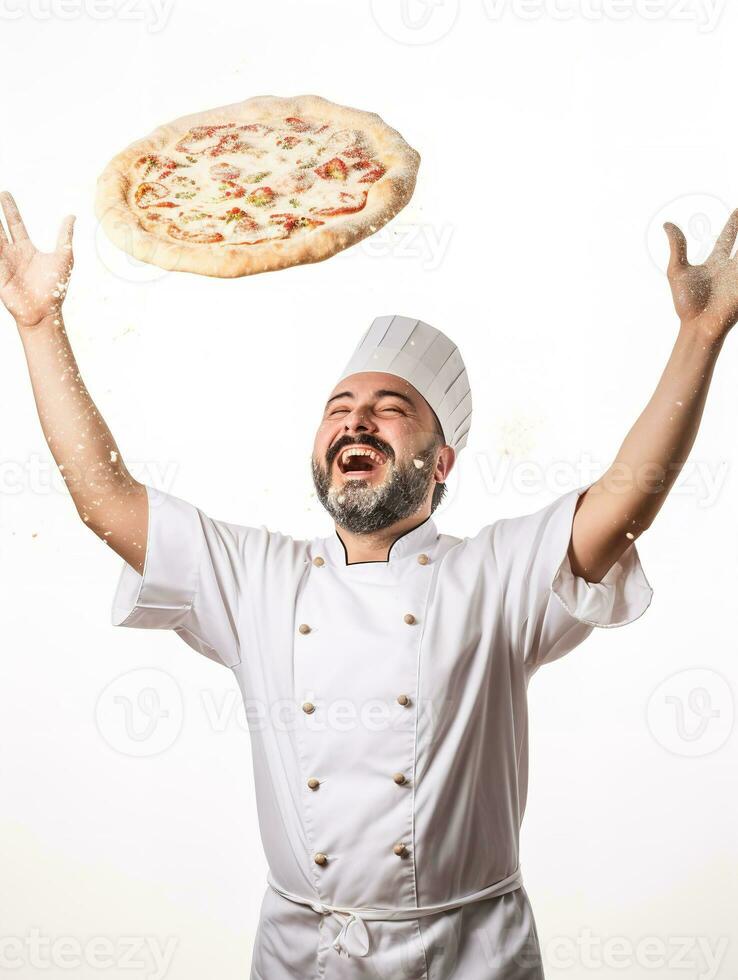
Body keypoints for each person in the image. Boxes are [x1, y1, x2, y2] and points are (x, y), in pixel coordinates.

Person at [2, 186, 736, 979]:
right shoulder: (257, 576)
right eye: (339, 408)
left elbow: (627, 498)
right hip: (302, 954)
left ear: (441, 459)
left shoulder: (495, 574)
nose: (357, 421)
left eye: (390, 409)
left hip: (470, 956)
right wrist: (40, 326)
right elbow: (102, 497)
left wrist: (700, 335)